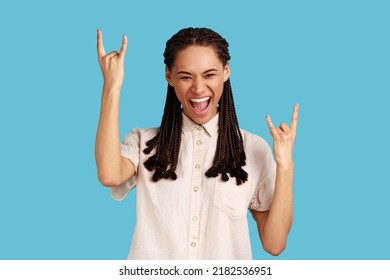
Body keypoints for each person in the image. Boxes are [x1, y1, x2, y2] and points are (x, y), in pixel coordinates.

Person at [95, 27, 299, 260]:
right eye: (185, 76)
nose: (198, 88)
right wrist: (112, 86)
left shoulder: (253, 148)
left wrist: (285, 165)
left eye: (209, 74)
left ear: (225, 72)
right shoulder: (145, 142)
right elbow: (109, 174)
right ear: (169, 76)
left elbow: (274, 244)